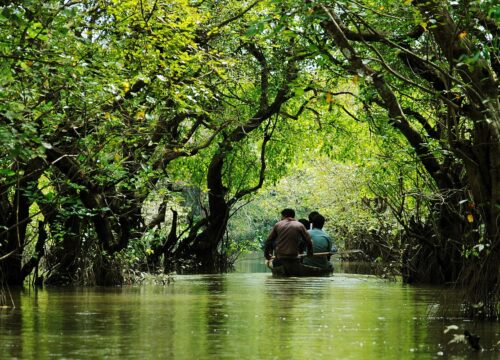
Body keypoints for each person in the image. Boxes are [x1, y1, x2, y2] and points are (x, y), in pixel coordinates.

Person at [264, 208, 314, 276]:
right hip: (294, 259)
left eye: (281, 216)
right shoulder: (299, 225)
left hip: (280, 259)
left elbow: (269, 241)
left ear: (284, 216)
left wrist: (266, 255)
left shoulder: (278, 225)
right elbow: (309, 241)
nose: (281, 218)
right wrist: (310, 252)